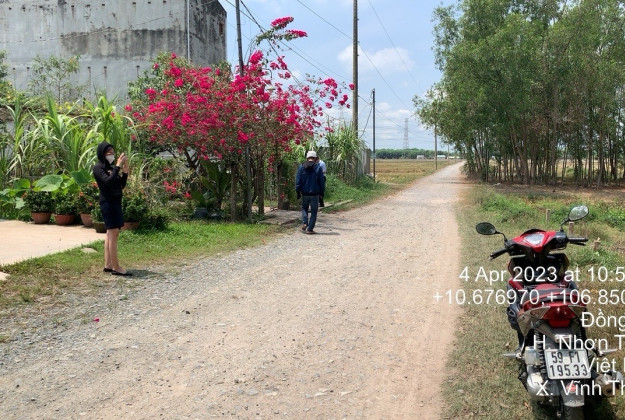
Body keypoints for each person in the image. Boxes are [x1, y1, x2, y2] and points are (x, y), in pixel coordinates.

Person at [93, 141, 132, 276]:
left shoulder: (109, 167)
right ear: (102, 153)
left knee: (110, 234)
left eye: (113, 153)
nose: (111, 155)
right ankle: (116, 267)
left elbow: (120, 185)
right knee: (113, 233)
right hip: (108, 203)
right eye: (108, 153)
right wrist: (117, 167)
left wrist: (125, 171)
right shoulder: (98, 168)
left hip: (115, 202)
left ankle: (108, 265)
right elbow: (108, 182)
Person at [296, 150, 325, 234]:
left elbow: (298, 180)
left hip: (304, 193)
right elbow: (321, 182)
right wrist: (322, 192)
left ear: (307, 158)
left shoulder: (301, 167)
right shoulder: (318, 167)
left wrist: (297, 191)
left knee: (304, 208)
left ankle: (305, 223)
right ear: (315, 158)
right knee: (314, 211)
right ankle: (310, 229)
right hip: (315, 194)